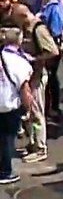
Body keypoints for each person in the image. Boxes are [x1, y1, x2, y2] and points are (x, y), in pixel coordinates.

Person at [0, 27, 34, 184]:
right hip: (8, 104)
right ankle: (5, 172)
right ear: (19, 41)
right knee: (7, 139)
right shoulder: (20, 62)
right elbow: (24, 89)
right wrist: (28, 108)